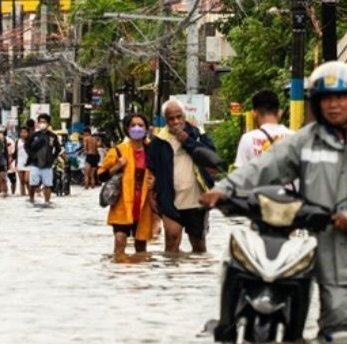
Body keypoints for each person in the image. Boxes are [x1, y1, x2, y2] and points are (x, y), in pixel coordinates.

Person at [202, 61, 347, 336]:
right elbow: (265, 166)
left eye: (340, 98)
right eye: (326, 99)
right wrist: (224, 189)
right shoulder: (306, 140)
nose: (333, 105)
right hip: (330, 256)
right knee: (336, 331)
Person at [148, 99, 219, 253]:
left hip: (196, 200)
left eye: (179, 117)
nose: (176, 121)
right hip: (169, 200)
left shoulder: (198, 134)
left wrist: (187, 140)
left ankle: (194, 276)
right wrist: (150, 196)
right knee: (171, 241)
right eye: (171, 118)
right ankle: (173, 276)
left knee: (199, 246)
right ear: (165, 120)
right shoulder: (158, 140)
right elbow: (150, 169)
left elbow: (211, 158)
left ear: (184, 116)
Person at [100, 113, 156, 255]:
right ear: (127, 129)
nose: (137, 128)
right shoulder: (117, 151)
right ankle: (119, 272)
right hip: (122, 205)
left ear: (146, 129)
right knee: (120, 241)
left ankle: (139, 276)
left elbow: (163, 173)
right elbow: (100, 176)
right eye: (133, 125)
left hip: (144, 206)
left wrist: (155, 181)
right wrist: (117, 166)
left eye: (141, 125)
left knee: (141, 248)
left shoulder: (153, 151)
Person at [234, 89, 294, 168]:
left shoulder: (247, 139)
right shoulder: (295, 137)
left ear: (254, 114)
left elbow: (241, 175)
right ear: (280, 113)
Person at [25, 113, 63, 205]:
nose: (42, 123)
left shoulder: (53, 136)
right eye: (41, 122)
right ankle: (31, 199)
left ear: (48, 123)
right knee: (33, 184)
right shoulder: (34, 135)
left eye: (44, 122)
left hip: (47, 164)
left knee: (47, 185)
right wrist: (32, 155)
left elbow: (58, 149)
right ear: (38, 123)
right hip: (35, 164)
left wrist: (53, 157)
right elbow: (26, 146)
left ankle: (47, 201)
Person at [15, 126, 30, 196]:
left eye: (25, 132)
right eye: (22, 132)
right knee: (22, 181)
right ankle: (22, 195)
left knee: (27, 180)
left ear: (28, 133)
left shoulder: (31, 141)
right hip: (20, 163)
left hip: (28, 163)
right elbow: (15, 153)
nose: (23, 134)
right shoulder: (17, 141)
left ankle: (31, 194)